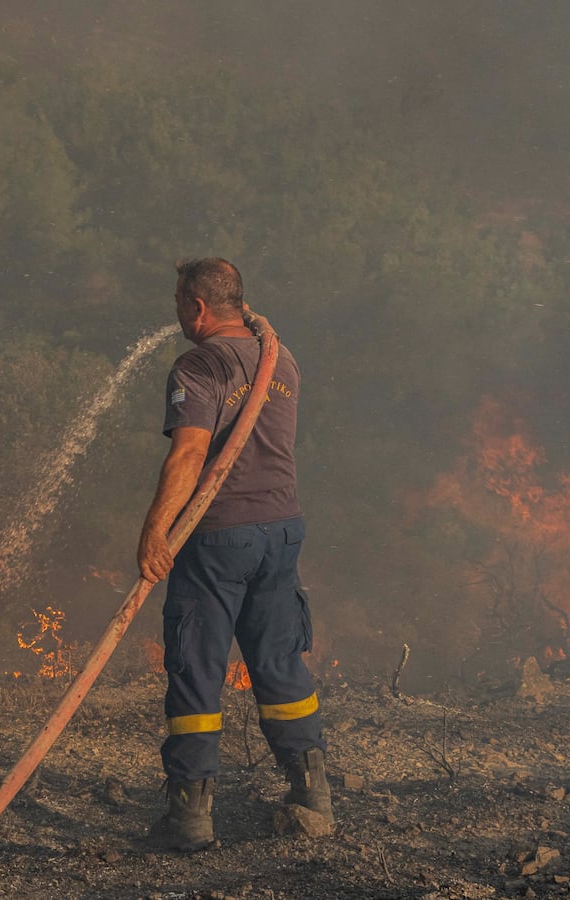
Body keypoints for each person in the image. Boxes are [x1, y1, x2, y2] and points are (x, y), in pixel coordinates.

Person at [136, 257, 330, 851]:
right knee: (278, 662)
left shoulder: (200, 364)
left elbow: (189, 455)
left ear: (197, 306)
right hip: (281, 530)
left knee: (197, 668)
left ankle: (190, 818)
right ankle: (311, 792)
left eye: (178, 301)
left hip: (218, 536)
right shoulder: (281, 358)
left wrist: (155, 529)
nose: (174, 313)